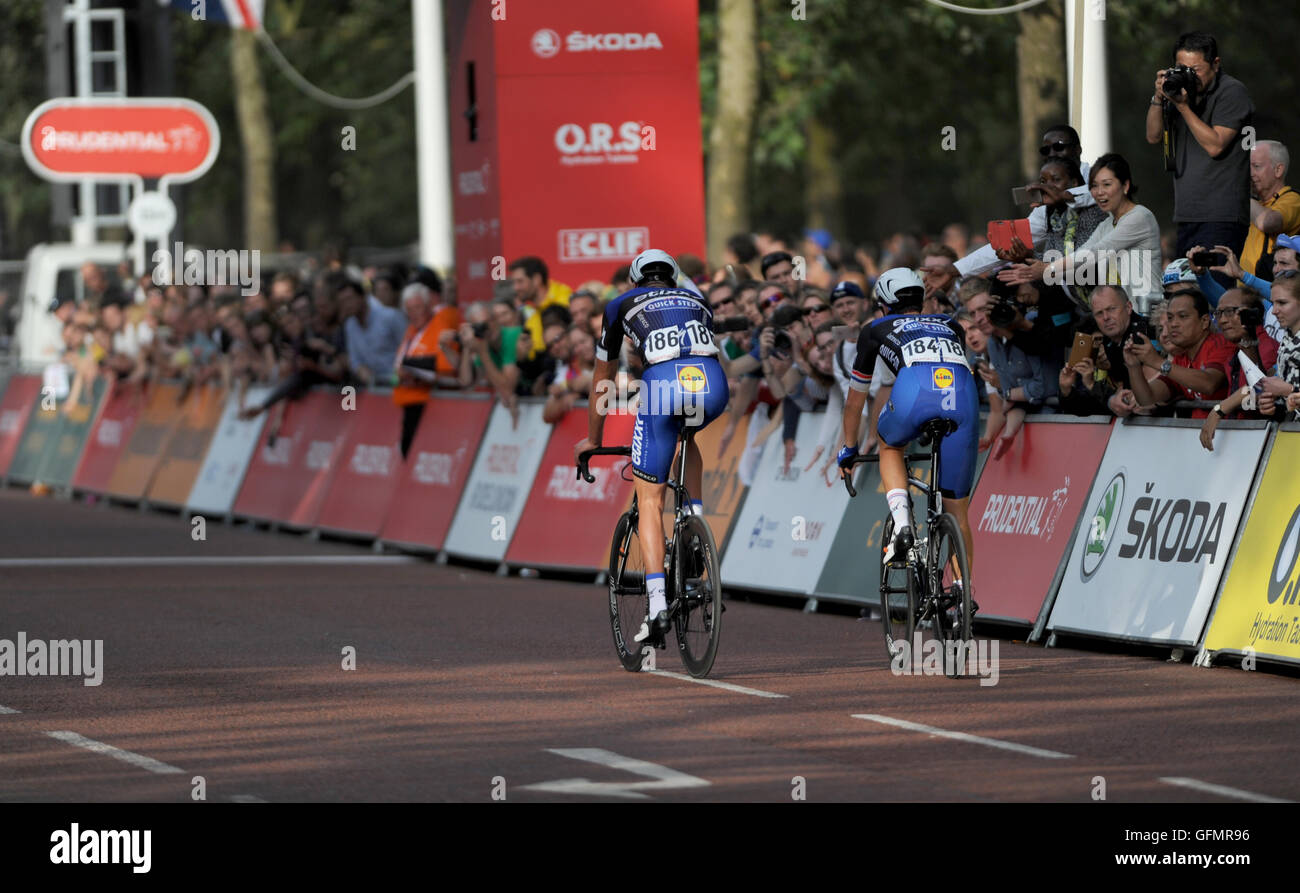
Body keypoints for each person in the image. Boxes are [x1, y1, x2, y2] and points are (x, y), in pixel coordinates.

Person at [573, 249, 728, 646]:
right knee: (688, 433)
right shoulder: (696, 299)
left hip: (662, 386)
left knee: (650, 503)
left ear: (634, 280)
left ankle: (658, 602)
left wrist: (594, 438)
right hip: (711, 384)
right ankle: (694, 519)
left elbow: (602, 379)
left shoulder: (620, 304)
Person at [835, 267, 980, 621]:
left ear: (883, 304)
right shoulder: (951, 325)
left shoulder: (874, 329)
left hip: (915, 394)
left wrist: (850, 449)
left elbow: (856, 401)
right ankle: (963, 595)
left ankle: (902, 524)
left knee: (889, 445)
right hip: (964, 399)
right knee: (957, 510)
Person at [1145, 31, 1255, 282]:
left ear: (1215, 64)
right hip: (1187, 215)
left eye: (1196, 69)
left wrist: (1183, 107)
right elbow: (1152, 136)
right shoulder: (1179, 90)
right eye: (1182, 68)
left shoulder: (1232, 92)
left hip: (1221, 216)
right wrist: (1158, 98)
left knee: (1216, 293)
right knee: (1188, 294)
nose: (1189, 75)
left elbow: (1215, 144)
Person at [999, 153, 1163, 311]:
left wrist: (1047, 269)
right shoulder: (1107, 224)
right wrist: (1028, 257)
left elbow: (1093, 253)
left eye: (1107, 184)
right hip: (1127, 316)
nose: (1099, 192)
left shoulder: (1140, 217)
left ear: (1125, 186)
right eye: (1094, 186)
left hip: (1150, 314)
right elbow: (1080, 256)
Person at [1202, 271, 1300, 447]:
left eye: (1282, 303)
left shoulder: (1267, 347)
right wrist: (1270, 404)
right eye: (1219, 313)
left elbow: (1274, 387)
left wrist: (1287, 390)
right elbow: (1264, 388)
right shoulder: (1286, 340)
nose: (1274, 310)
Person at [1125, 289, 1231, 418]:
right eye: (1170, 318)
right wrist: (1133, 366)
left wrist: (1157, 361)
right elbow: (1147, 399)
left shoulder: (1222, 344)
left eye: (1183, 316)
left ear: (1204, 321)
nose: (1173, 324)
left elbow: (1209, 384)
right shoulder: (1181, 359)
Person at [1242, 141, 1300, 279]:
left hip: (1272, 290)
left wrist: (1242, 194)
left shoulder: (1293, 199)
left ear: (1278, 170)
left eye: (1256, 166)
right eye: (1247, 167)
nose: (1249, 173)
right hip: (1248, 291)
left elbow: (1267, 223)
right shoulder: (1256, 204)